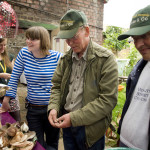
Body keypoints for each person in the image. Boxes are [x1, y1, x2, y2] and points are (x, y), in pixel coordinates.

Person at [48, 9, 118, 150]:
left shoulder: (105, 59)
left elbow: (107, 100)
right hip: (67, 126)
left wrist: (74, 118)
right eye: (66, 38)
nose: (70, 43)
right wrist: (54, 107)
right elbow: (56, 86)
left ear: (86, 31)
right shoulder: (66, 58)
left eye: (74, 37)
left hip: (91, 129)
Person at [2, 26, 62, 150]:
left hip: (52, 109)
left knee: (52, 144)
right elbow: (14, 78)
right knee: (36, 145)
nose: (29, 41)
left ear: (43, 40)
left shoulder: (57, 57)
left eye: (33, 39)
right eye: (27, 38)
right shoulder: (24, 54)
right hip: (33, 110)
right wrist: (6, 100)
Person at [117, 5, 150, 150]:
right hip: (126, 143)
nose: (139, 44)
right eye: (135, 39)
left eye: (144, 36)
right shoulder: (140, 66)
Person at [0, 38, 21, 121]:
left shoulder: (9, 57)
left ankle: (18, 133)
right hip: (0, 94)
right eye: (0, 45)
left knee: (16, 120)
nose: (3, 47)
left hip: (10, 92)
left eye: (4, 45)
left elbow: (15, 73)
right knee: (3, 120)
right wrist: (1, 75)